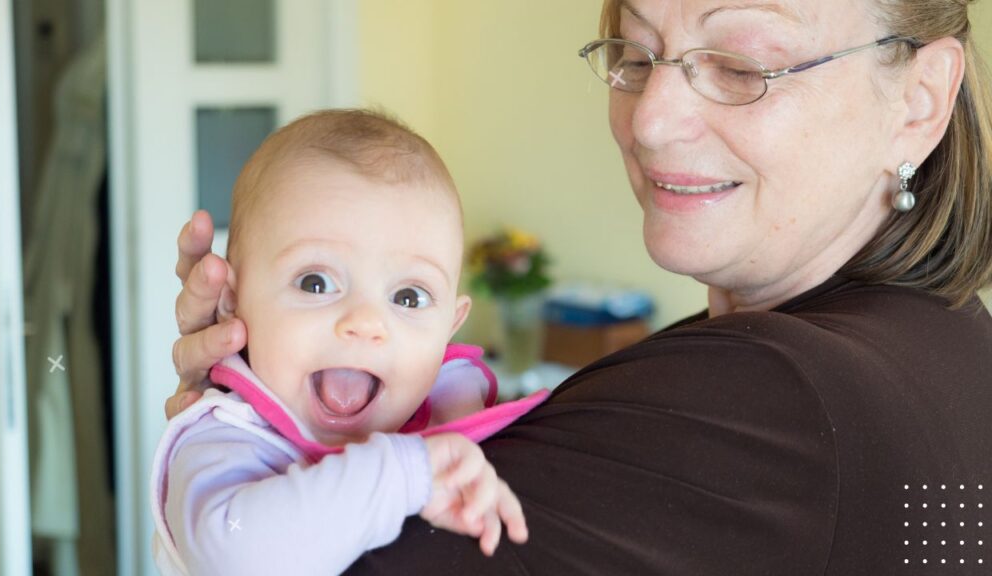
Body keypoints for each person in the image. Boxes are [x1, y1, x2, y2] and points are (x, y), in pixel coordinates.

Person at [166, 0, 992, 573]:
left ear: (918, 100)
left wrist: (224, 472)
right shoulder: (951, 340)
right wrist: (267, 399)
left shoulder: (766, 396)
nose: (650, 118)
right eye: (635, 56)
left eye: (741, 64)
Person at [152, 110, 541, 576]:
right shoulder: (227, 437)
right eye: (315, 283)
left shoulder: (450, 411)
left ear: (450, 328)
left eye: (409, 297)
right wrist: (404, 475)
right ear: (232, 301)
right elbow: (236, 555)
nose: (365, 322)